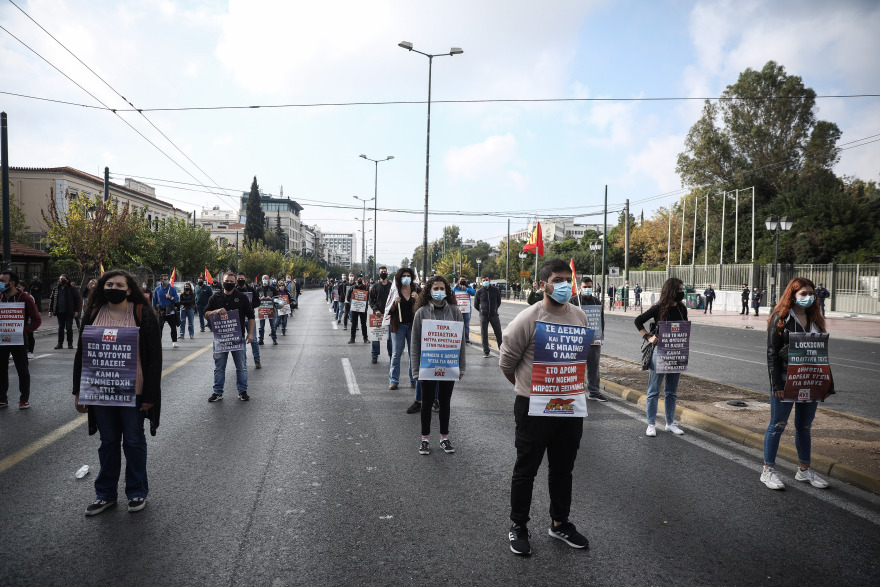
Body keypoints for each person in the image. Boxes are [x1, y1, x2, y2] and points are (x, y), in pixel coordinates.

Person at [500, 259, 591, 556]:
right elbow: (507, 363)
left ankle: (559, 522)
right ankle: (518, 526)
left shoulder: (580, 317)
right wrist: (528, 389)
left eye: (568, 279)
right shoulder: (528, 319)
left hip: (569, 408)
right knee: (526, 469)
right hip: (533, 408)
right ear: (543, 285)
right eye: (558, 279)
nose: (565, 284)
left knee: (563, 469)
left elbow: (580, 359)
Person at [73, 269, 162, 516]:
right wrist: (78, 391)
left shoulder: (142, 313)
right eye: (109, 284)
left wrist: (150, 396)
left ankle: (136, 492)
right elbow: (82, 355)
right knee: (108, 442)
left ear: (129, 289)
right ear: (101, 288)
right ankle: (105, 495)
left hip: (134, 392)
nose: (113, 288)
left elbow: (154, 358)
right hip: (100, 392)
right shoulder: (93, 313)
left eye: (119, 285)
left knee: (133, 441)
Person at [762, 277, 831, 491]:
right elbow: (772, 353)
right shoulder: (780, 318)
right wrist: (776, 385)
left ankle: (804, 471)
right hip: (785, 379)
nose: (808, 297)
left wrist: (826, 383)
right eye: (803, 294)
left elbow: (821, 355)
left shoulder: (817, 320)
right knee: (777, 425)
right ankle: (768, 471)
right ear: (792, 295)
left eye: (811, 294)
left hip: (811, 380)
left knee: (804, 426)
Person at [410, 275, 466, 455]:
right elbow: (415, 343)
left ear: (447, 291)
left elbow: (461, 343)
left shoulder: (456, 312)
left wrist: (461, 367)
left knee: (445, 402)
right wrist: (416, 370)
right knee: (426, 403)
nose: (439, 292)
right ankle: (425, 439)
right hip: (427, 366)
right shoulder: (421, 313)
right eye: (435, 288)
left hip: (448, 366)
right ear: (429, 291)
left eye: (442, 288)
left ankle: (444, 438)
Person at [634, 277, 688, 437]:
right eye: (679, 290)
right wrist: (648, 337)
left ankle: (670, 423)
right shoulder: (659, 308)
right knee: (654, 390)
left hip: (677, 351)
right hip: (660, 351)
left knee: (672, 391)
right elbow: (638, 321)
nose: (681, 293)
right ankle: (651, 424)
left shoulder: (682, 308)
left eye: (682, 290)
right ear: (670, 291)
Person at [206, 272, 256, 402]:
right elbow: (206, 314)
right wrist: (215, 311)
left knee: (241, 366)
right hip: (220, 339)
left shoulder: (242, 297)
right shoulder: (215, 297)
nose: (229, 283)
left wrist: (250, 334)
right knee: (219, 367)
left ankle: (242, 391)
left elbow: (251, 316)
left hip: (237, 338)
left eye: (231, 281)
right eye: (226, 280)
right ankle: (217, 392)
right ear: (222, 281)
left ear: (235, 283)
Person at [0, 271, 41, 409]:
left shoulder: (25, 298)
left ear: (12, 283)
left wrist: (24, 330)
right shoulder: (0, 297)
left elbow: (37, 320)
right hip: (2, 339)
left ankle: (24, 399)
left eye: (2, 280)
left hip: (19, 339)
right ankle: (2, 398)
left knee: (22, 370)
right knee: (1, 369)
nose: (0, 283)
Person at [569, 277, 607, 402]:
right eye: (585, 287)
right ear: (580, 287)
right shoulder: (573, 302)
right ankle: (573, 391)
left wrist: (600, 336)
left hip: (594, 340)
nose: (587, 289)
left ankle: (594, 392)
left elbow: (600, 321)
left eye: (589, 287)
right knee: (576, 367)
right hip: (577, 340)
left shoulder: (597, 302)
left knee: (594, 367)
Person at [388, 268, 418, 392]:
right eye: (404, 276)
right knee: (396, 354)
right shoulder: (395, 292)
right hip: (398, 327)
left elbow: (423, 308)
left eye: (408, 276)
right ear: (399, 278)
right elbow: (389, 311)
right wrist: (395, 303)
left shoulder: (416, 291)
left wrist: (418, 298)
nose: (406, 278)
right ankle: (393, 380)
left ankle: (414, 379)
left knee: (413, 354)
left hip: (413, 326)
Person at [48, 274, 81, 350]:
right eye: (60, 279)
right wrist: (50, 310)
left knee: (69, 328)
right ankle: (60, 344)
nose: (62, 280)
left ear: (67, 280)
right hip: (60, 311)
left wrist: (76, 310)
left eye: (63, 279)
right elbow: (52, 300)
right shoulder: (56, 289)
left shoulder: (72, 289)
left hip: (69, 312)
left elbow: (77, 300)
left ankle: (70, 343)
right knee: (60, 328)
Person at [235, 272, 261, 368]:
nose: (240, 280)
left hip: (250, 319)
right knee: (241, 341)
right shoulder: (234, 290)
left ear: (245, 279)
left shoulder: (251, 290)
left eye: (242, 278)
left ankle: (257, 360)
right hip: (238, 320)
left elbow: (258, 302)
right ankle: (243, 361)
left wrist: (250, 306)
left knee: (253, 339)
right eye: (239, 279)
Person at [368, 266, 393, 364]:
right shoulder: (375, 287)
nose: (384, 273)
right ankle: (375, 355)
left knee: (390, 337)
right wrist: (376, 310)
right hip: (377, 316)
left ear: (387, 273)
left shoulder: (391, 286)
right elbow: (371, 300)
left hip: (389, 315)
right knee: (376, 337)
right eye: (382, 272)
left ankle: (391, 355)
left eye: (385, 271)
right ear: (379, 274)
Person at [474, 276, 503, 359]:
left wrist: (494, 309)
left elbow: (499, 301)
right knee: (484, 334)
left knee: (498, 333)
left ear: (489, 280)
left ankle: (501, 349)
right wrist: (482, 311)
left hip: (494, 315)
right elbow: (476, 305)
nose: (485, 281)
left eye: (487, 280)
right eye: (484, 280)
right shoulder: (479, 292)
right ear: (481, 282)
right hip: (484, 316)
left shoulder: (495, 290)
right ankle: (486, 351)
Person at [152, 274, 179, 348]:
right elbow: (154, 300)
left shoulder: (172, 289)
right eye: (164, 279)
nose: (166, 280)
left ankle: (174, 341)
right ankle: (158, 342)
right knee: (159, 327)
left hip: (170, 310)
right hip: (161, 311)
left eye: (167, 279)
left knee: (173, 327)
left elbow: (176, 299)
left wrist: (170, 297)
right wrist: (153, 309)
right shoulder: (157, 289)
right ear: (161, 280)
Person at [452, 277, 476, 345]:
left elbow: (473, 293)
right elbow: (452, 295)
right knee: (457, 323)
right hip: (458, 308)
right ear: (458, 280)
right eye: (461, 280)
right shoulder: (455, 288)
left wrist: (466, 289)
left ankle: (466, 339)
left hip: (467, 308)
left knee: (466, 324)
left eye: (464, 280)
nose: (462, 281)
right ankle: (457, 338)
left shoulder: (468, 287)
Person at [256, 275, 278, 346]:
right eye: (263, 279)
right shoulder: (258, 289)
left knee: (273, 325)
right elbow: (255, 299)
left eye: (266, 279)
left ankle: (274, 339)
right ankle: (261, 339)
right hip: (262, 310)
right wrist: (260, 298)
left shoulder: (272, 289)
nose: (265, 280)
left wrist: (271, 298)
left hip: (271, 309)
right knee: (261, 326)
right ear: (261, 280)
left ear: (268, 280)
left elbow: (277, 298)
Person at [347, 275, 369, 344]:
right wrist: (353, 303)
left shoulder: (365, 288)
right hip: (354, 308)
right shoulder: (352, 288)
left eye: (361, 278)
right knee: (354, 324)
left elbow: (368, 297)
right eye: (359, 278)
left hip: (363, 308)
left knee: (363, 324)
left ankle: (365, 339)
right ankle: (352, 338)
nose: (360, 279)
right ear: (356, 279)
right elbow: (348, 298)